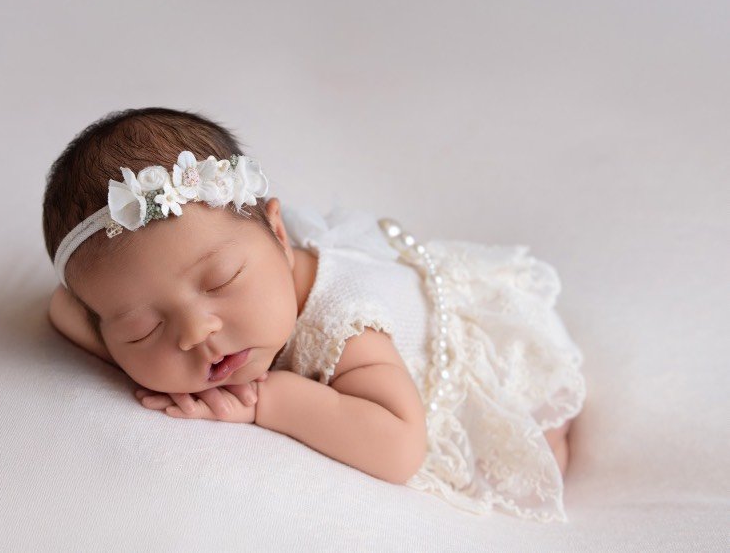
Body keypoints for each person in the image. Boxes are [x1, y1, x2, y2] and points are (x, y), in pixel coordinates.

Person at [42, 107, 585, 522]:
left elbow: (400, 446)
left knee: (535, 445)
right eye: (145, 328)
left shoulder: (347, 320)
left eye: (222, 282)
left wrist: (267, 400)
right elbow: (66, 309)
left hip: (470, 351)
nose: (196, 333)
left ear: (279, 235)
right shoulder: (221, 265)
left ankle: (557, 432)